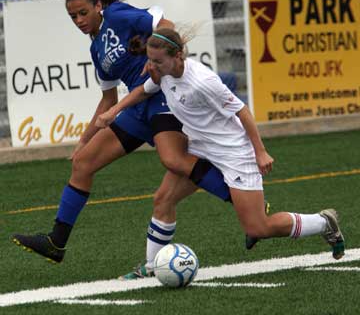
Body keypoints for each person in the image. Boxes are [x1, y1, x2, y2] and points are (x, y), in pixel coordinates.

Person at [11, 0, 252, 266]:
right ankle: (56, 242)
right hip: (136, 108)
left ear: (98, 5)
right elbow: (108, 100)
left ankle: (248, 207)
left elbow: (164, 23)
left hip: (162, 97)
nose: (79, 21)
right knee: (84, 163)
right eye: (73, 17)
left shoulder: (118, 15)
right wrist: (83, 141)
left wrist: (158, 60)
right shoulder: (96, 49)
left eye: (83, 13)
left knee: (173, 160)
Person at [96, 28, 345, 279]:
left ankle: (325, 222)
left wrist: (260, 152)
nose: (152, 66)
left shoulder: (203, 82)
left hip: (234, 152)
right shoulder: (163, 72)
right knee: (163, 199)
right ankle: (151, 267)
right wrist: (112, 112)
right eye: (150, 59)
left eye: (158, 61)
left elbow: (242, 111)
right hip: (200, 148)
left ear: (178, 56)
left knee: (258, 226)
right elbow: (144, 90)